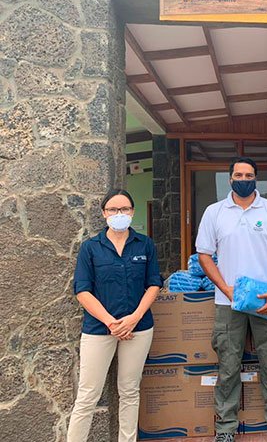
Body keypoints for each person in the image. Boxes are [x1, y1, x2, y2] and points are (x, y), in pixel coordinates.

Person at [195, 157, 267, 442]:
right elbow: (204, 253)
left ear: (256, 179)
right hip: (228, 303)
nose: (243, 178)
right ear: (230, 179)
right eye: (238, 174)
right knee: (228, 366)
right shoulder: (215, 213)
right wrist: (226, 289)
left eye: (248, 174)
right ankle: (225, 429)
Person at [67, 189, 163, 442]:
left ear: (132, 212)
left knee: (130, 391)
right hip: (99, 329)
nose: (119, 214)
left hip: (138, 327)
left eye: (124, 209)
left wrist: (133, 318)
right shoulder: (91, 248)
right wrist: (111, 322)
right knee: (87, 396)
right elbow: (83, 290)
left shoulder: (145, 244)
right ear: (103, 213)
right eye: (113, 210)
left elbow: (154, 283)